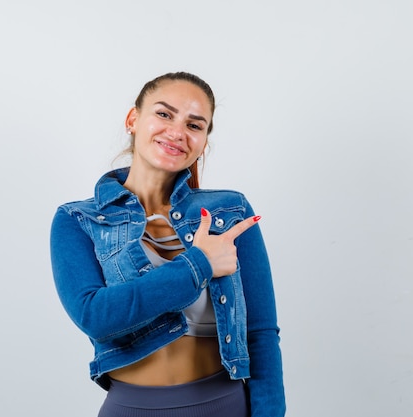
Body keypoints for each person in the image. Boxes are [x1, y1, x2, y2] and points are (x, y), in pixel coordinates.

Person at [50, 72, 285, 417]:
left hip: (226, 406)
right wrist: (199, 265)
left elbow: (261, 333)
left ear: (203, 141)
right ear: (133, 119)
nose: (177, 132)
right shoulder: (78, 219)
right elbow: (95, 316)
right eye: (164, 114)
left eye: (195, 125)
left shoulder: (230, 212)